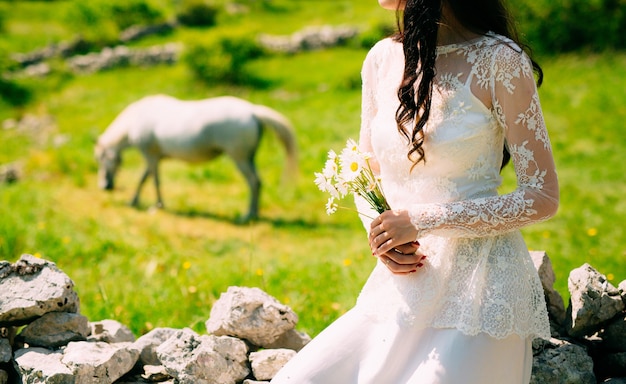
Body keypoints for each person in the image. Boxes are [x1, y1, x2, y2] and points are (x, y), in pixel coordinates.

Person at [271, 0, 559, 382]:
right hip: (402, 286)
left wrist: (420, 221)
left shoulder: (500, 59)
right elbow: (366, 172)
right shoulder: (380, 59)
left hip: (480, 295)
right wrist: (383, 238)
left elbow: (542, 197)